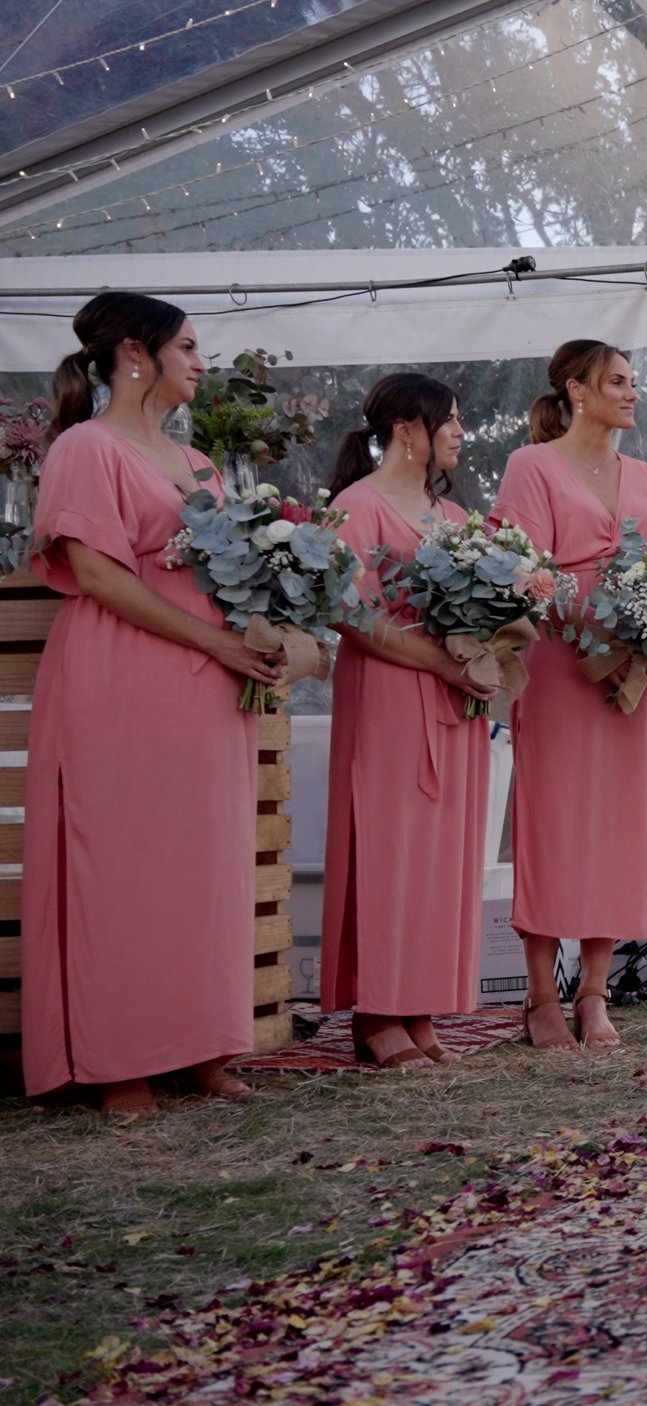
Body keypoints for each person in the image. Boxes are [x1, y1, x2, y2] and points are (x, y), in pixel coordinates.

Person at [21, 292, 282, 1114]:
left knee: (203, 862)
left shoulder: (200, 463)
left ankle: (201, 1044)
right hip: (121, 677)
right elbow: (97, 575)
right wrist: (214, 641)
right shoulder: (83, 450)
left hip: (210, 685)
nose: (203, 364)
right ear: (138, 352)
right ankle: (118, 1057)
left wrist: (268, 622)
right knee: (126, 865)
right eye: (191, 348)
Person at [491, 340, 647, 1052]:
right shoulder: (530, 467)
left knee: (620, 829)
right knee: (556, 824)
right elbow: (523, 569)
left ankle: (595, 996)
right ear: (578, 389)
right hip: (562, 667)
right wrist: (588, 622)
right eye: (618, 382)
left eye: (634, 383)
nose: (633, 394)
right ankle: (542, 998)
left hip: (639, 676)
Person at [319, 374, 497, 1068]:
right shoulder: (357, 507)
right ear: (406, 429)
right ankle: (375, 1012)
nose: (459, 433)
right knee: (389, 849)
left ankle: (419, 1003)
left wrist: (482, 655)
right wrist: (439, 661)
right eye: (448, 420)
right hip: (390, 694)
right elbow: (350, 613)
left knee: (440, 856)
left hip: (453, 704)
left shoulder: (455, 522)